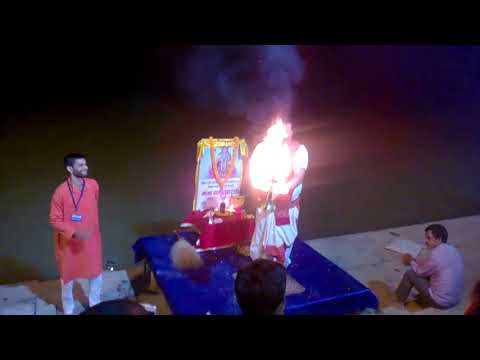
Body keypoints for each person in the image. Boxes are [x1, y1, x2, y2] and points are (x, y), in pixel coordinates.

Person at [249, 117, 309, 267]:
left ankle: (276, 276)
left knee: (279, 252)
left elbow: (298, 176)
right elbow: (254, 172)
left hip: (285, 209)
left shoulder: (299, 150)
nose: (285, 135)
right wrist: (261, 186)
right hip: (265, 206)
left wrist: (285, 187)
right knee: (258, 245)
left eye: (288, 130)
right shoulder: (263, 148)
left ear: (292, 131)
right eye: (282, 131)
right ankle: (258, 272)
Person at [49, 153, 104, 315]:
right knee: (67, 278)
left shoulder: (93, 185)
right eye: (80, 165)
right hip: (69, 244)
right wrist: (73, 232)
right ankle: (69, 309)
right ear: (70, 169)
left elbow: (93, 206)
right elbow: (54, 219)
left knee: (96, 274)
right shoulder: (60, 192)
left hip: (91, 240)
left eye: (85, 164)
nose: (85, 167)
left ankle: (95, 304)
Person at [395, 224, 464, 309]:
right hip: (455, 299)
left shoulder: (436, 256)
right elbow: (432, 266)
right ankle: (423, 296)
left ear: (439, 239)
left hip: (441, 303)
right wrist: (416, 261)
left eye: (429, 238)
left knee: (410, 274)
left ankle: (397, 299)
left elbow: (420, 272)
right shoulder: (453, 249)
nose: (426, 241)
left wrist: (410, 261)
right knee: (432, 272)